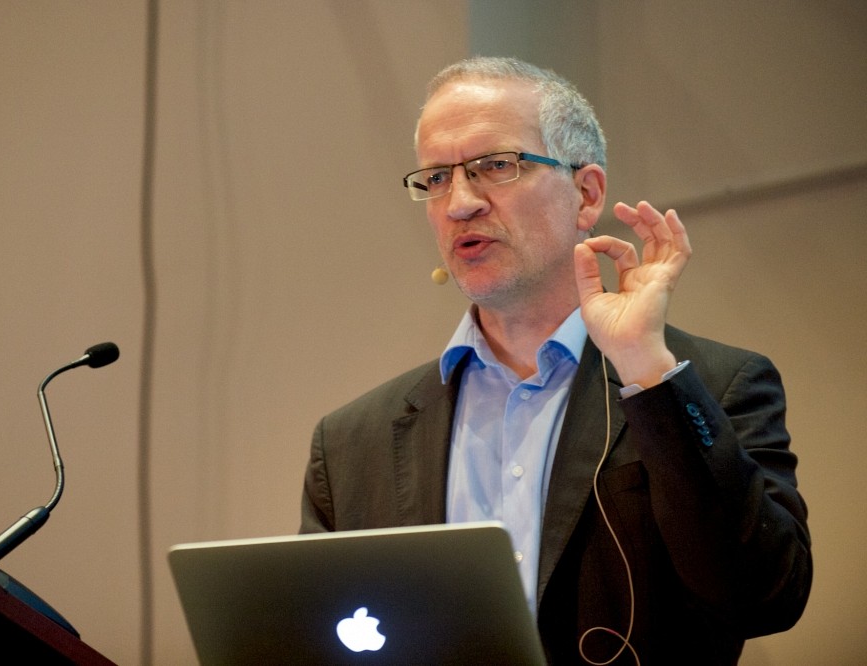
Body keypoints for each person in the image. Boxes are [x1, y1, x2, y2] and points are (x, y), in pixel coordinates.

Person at [299, 56, 811, 665]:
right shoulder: (351, 443)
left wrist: (645, 370)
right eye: (436, 177)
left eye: (496, 166)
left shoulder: (717, 385)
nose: (459, 203)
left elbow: (763, 599)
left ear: (585, 194)